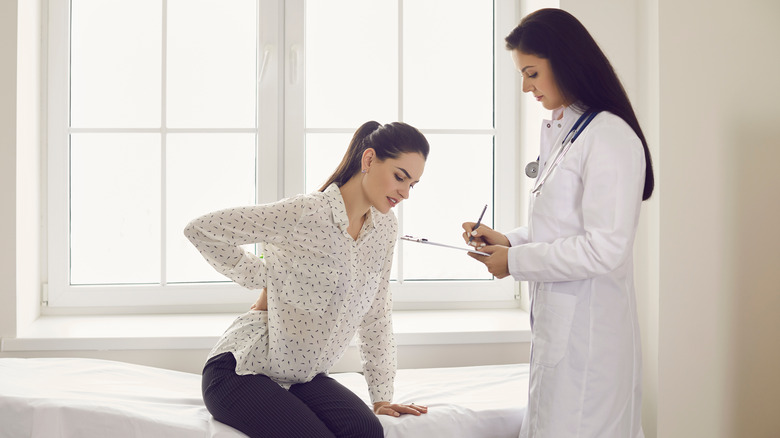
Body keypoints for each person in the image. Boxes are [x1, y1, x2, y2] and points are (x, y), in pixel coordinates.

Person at [462, 8, 654, 438]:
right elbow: (560, 229)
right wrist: (507, 240)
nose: (526, 86)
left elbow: (605, 247)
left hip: (591, 342)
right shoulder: (572, 130)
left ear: (564, 61)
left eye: (531, 73)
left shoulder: (610, 136)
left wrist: (514, 262)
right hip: (560, 333)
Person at [185, 121, 430, 438]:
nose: (405, 193)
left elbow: (377, 313)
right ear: (369, 160)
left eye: (413, 184)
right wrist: (265, 275)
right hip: (242, 369)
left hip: (303, 377)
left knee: (367, 432)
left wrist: (381, 396)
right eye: (400, 177)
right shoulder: (308, 213)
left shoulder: (384, 229)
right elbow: (202, 230)